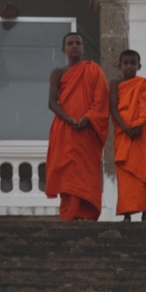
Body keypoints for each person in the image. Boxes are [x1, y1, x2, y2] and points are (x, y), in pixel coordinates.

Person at [44, 32, 109, 221]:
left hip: (87, 130)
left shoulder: (93, 70)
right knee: (68, 174)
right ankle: (70, 215)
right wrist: (69, 118)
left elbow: (101, 99)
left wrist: (88, 118)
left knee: (86, 172)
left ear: (83, 48)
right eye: (70, 43)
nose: (74, 46)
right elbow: (51, 102)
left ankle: (86, 215)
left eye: (78, 43)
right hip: (65, 130)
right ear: (63, 49)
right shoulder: (58, 72)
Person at [111, 50, 146, 222]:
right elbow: (113, 109)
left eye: (133, 63)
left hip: (142, 135)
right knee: (126, 176)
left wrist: (138, 124)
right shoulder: (115, 84)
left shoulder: (145, 84)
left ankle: (145, 214)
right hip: (124, 134)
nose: (130, 66)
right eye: (126, 63)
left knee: (144, 171)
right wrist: (125, 128)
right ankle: (126, 214)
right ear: (119, 65)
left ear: (139, 66)